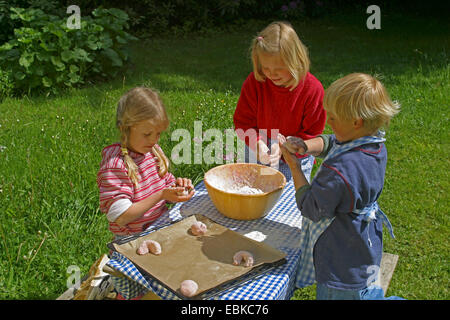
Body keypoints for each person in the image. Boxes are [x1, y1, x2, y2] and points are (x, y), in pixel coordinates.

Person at [279, 73, 403, 300]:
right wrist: (306, 146)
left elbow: (311, 207)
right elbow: (333, 141)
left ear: (357, 122)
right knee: (365, 290)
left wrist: (295, 168)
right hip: (363, 244)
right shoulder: (373, 144)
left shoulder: (340, 170)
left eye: (334, 118)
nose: (329, 122)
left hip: (340, 261)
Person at [233, 21, 326, 181]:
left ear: (296, 61)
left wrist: (285, 148)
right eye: (266, 68)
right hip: (257, 148)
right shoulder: (256, 83)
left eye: (279, 68)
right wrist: (258, 144)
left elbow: (312, 135)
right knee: (247, 190)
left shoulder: (313, 90)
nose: (272, 74)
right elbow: (243, 122)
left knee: (292, 199)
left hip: (295, 154)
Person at [97, 87, 194, 239]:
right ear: (125, 129)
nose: (153, 140)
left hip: (159, 229)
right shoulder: (116, 165)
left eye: (158, 134)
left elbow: (165, 184)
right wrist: (161, 195)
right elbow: (121, 217)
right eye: (147, 134)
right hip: (133, 241)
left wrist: (177, 187)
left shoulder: (152, 152)